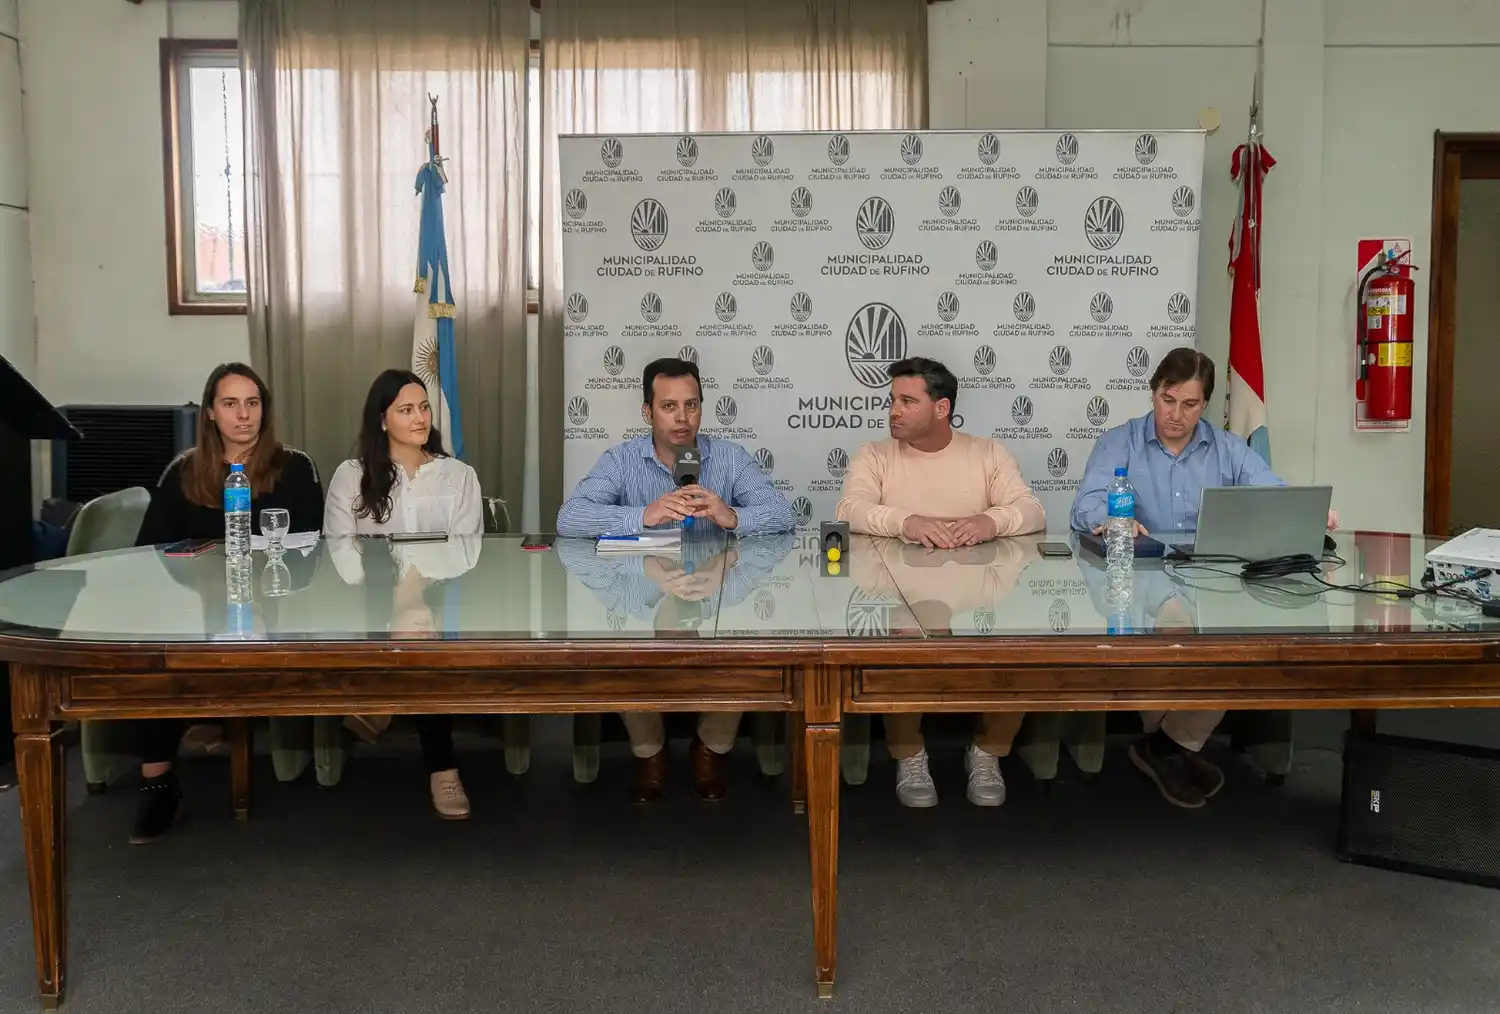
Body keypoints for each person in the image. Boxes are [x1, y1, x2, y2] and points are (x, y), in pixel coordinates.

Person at [1069, 347, 1337, 809]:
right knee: (1155, 636)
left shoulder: (1228, 447)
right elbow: (1085, 506)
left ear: (1205, 404)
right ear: (1154, 392)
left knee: (1241, 646)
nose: (1175, 414)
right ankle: (1176, 748)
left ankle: (1164, 748)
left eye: (1189, 405)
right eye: (1167, 400)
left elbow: (1271, 495)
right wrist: (1116, 520)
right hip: (1140, 580)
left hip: (1212, 580)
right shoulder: (1121, 442)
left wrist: (1308, 516)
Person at [557, 357, 797, 803]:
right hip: (645, 595)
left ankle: (711, 748)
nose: (682, 418)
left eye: (691, 405)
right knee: (620, 656)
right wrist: (641, 515)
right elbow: (570, 518)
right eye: (669, 406)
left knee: (745, 656)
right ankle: (650, 753)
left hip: (716, 598)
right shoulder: (621, 460)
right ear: (648, 412)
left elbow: (782, 515)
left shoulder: (727, 457)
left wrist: (732, 515)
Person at [835, 356, 1046, 808]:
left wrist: (991, 522)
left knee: (1028, 650)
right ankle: (908, 755)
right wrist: (905, 521)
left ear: (941, 407)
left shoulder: (987, 453)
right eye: (892, 400)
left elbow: (1031, 511)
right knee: (903, 644)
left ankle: (988, 752)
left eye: (907, 401)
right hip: (903, 597)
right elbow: (848, 511)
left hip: (980, 601)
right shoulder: (874, 455)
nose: (893, 410)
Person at [129, 362, 323, 844]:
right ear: (211, 413)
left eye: (253, 403)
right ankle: (159, 783)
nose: (244, 415)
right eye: (231, 404)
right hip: (199, 608)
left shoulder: (293, 467)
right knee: (152, 652)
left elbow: (315, 548)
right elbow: (150, 552)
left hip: (279, 604)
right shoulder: (184, 470)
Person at [324, 369, 484, 819]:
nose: (420, 418)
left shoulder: (457, 475)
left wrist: (413, 584)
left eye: (424, 407)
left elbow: (468, 549)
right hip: (366, 600)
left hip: (447, 598)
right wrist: (398, 591)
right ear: (381, 420)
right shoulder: (351, 475)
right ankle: (443, 768)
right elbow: (339, 549)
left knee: (421, 628)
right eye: (406, 409)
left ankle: (381, 703)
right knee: (418, 633)